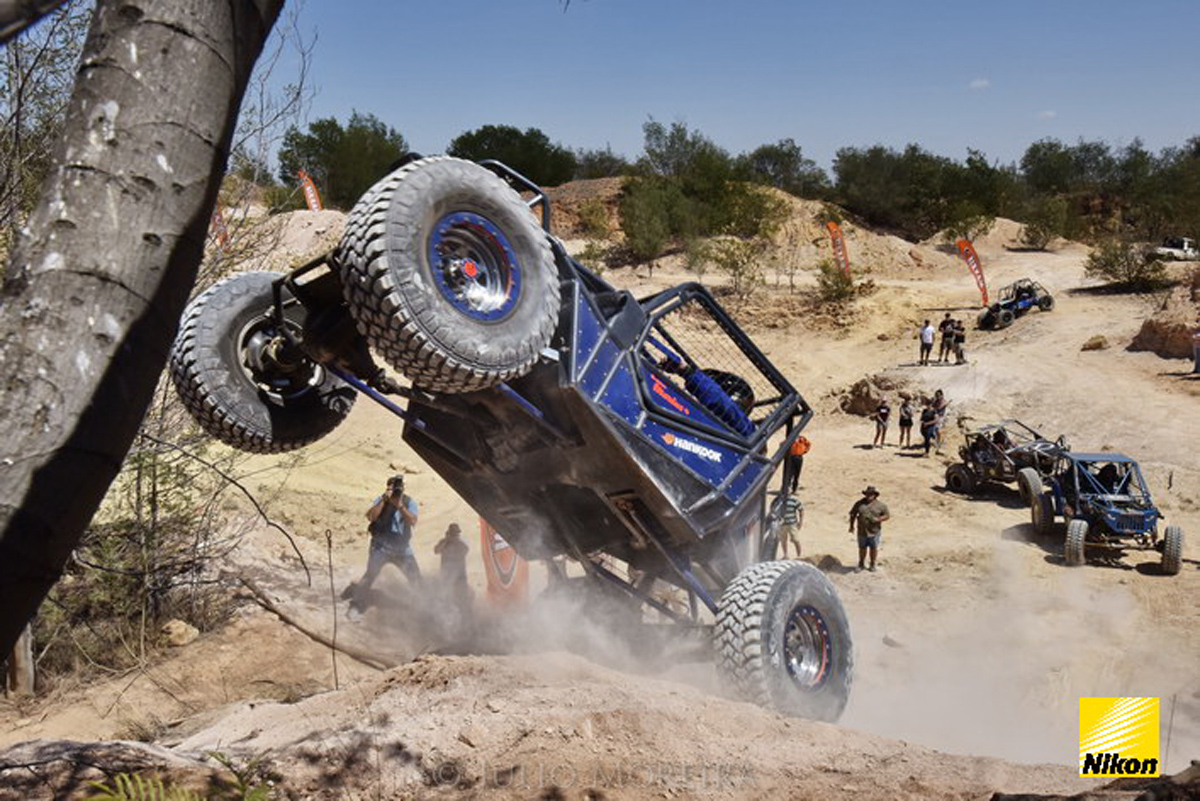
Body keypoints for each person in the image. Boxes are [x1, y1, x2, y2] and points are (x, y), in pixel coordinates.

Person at [349, 474, 421, 615]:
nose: (395, 492)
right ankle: (356, 606)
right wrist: (383, 500)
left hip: (402, 550)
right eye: (391, 488)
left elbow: (413, 521)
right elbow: (371, 516)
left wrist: (400, 506)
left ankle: (423, 609)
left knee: (416, 579)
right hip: (381, 547)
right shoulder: (382, 500)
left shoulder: (408, 502)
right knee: (370, 575)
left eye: (397, 489)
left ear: (403, 489)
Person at [848, 486, 890, 572]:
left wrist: (878, 519)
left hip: (874, 531)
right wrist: (851, 526)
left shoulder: (881, 505)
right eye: (867, 494)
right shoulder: (859, 504)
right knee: (862, 548)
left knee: (873, 548)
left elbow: (887, 515)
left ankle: (872, 564)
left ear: (875, 495)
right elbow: (853, 514)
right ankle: (861, 564)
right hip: (862, 530)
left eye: (871, 494)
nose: (869, 496)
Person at [433, 523, 471, 608]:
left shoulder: (461, 543)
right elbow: (436, 551)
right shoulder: (444, 542)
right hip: (447, 575)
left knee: (462, 596)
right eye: (453, 534)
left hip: (460, 575)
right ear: (449, 533)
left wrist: (456, 541)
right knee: (447, 596)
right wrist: (446, 540)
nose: (455, 536)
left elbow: (465, 550)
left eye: (456, 534)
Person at [779, 492, 804, 559]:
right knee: (783, 540)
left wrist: (800, 522)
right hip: (782, 524)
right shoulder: (779, 500)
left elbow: (801, 509)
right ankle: (785, 555)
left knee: (796, 540)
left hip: (792, 524)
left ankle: (799, 556)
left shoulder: (794, 500)